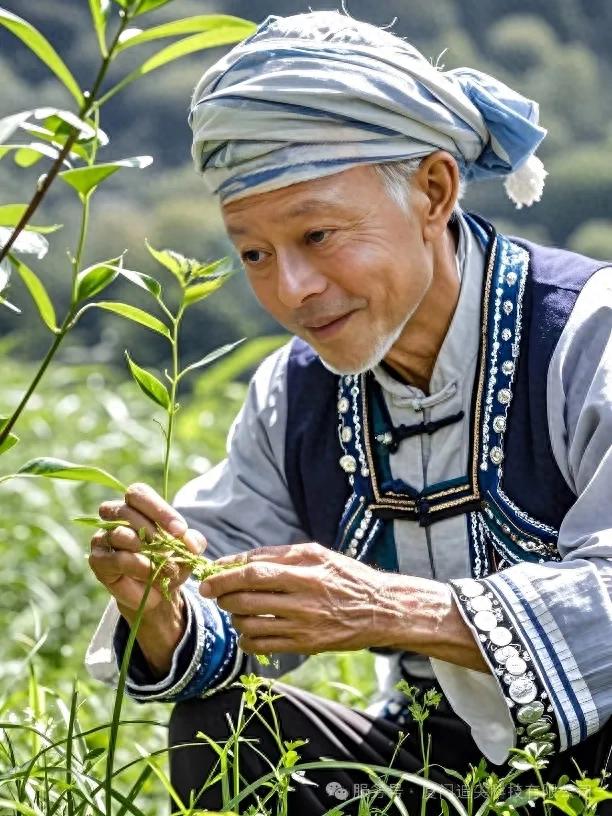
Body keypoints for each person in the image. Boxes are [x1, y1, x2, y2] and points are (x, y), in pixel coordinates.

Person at [85, 10, 612, 814]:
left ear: (433, 190)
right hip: (436, 767)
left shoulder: (588, 337)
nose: (292, 289)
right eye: (254, 253)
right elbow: (227, 603)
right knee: (224, 732)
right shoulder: (294, 396)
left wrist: (391, 609)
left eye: (319, 234)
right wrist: (163, 611)